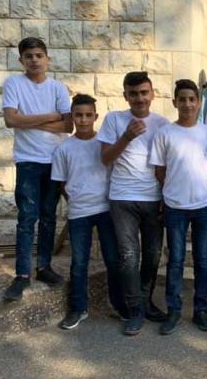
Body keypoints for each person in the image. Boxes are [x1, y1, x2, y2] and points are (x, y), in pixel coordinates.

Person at [98, 71, 170, 335]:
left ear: (152, 94)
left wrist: (166, 196)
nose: (139, 98)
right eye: (133, 94)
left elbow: (166, 166)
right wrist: (126, 136)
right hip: (123, 198)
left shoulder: (163, 124)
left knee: (153, 255)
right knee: (128, 257)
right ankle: (135, 310)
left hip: (153, 198)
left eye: (144, 93)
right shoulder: (114, 119)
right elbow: (105, 158)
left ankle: (146, 301)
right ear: (125, 96)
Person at [2, 37, 72, 302]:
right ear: (21, 60)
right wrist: (50, 116)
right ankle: (22, 274)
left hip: (54, 161)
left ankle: (44, 267)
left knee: (48, 217)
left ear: (47, 59)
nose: (34, 60)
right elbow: (11, 120)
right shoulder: (14, 84)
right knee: (27, 218)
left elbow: (68, 126)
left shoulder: (57, 88)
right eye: (29, 56)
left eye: (39, 55)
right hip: (28, 160)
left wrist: (27, 121)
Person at [53, 94, 126, 330]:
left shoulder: (104, 144)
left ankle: (119, 305)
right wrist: (75, 199)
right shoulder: (64, 148)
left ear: (96, 117)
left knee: (113, 259)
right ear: (72, 117)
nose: (83, 120)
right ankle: (78, 308)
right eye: (78, 115)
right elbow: (61, 182)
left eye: (88, 115)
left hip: (106, 209)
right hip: (79, 212)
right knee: (79, 262)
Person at [149, 79, 207, 335]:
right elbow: (159, 170)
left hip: (203, 205)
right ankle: (174, 310)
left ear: (198, 102)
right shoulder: (165, 133)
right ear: (174, 102)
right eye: (182, 99)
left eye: (192, 99)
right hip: (175, 206)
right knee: (176, 260)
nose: (187, 104)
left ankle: (201, 310)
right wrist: (174, 189)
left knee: (202, 260)